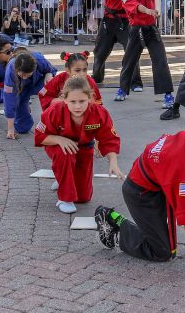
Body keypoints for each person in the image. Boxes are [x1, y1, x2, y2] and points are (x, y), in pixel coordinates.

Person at [94, 100, 185, 284]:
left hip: (163, 183)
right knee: (163, 252)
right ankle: (112, 220)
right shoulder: (182, 169)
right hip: (142, 194)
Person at [35, 76, 123, 214]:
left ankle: (63, 179)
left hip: (84, 147)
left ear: (90, 98)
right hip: (58, 147)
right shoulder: (53, 111)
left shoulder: (99, 113)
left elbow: (109, 139)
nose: (77, 106)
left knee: (83, 197)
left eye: (82, 101)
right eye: (72, 101)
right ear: (64, 99)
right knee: (66, 153)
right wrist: (60, 140)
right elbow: (40, 136)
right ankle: (64, 199)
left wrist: (113, 162)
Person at [116, 0, 174, 108]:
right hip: (137, 31)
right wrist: (149, 11)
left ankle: (167, 95)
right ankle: (123, 88)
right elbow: (137, 7)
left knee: (160, 60)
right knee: (129, 61)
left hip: (151, 30)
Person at [92, 0, 143, 91]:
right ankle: (97, 77)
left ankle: (135, 82)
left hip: (125, 22)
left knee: (132, 51)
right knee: (100, 52)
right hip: (108, 21)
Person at [3, 51, 58, 139]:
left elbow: (51, 69)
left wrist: (49, 74)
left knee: (52, 88)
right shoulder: (10, 72)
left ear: (34, 68)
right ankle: (25, 106)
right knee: (23, 128)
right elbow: (9, 101)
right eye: (22, 74)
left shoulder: (40, 60)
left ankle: (55, 122)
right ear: (16, 69)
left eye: (28, 75)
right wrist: (10, 129)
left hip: (38, 82)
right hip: (21, 87)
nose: (24, 77)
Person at [38, 51, 103, 111]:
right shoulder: (59, 79)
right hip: (62, 112)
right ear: (68, 70)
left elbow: (98, 101)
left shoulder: (90, 81)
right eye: (77, 70)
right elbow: (44, 95)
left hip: (84, 113)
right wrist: (59, 100)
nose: (82, 74)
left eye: (84, 70)